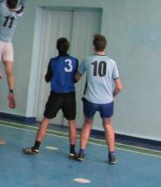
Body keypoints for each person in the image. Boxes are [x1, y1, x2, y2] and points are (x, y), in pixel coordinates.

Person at [22, 37, 79, 158]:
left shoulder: (53, 61)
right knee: (72, 122)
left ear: (57, 47)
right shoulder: (75, 61)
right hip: (70, 95)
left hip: (56, 95)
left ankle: (36, 148)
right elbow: (75, 79)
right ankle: (72, 151)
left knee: (46, 120)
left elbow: (47, 78)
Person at [74, 34, 122, 164]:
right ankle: (112, 155)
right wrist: (111, 96)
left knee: (87, 124)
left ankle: (81, 153)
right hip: (106, 101)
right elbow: (119, 87)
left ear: (93, 46)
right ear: (105, 46)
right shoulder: (112, 63)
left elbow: (76, 77)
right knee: (108, 125)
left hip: (90, 100)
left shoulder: (87, 60)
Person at [0, 0, 32, 110]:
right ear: (15, 5)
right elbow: (24, 0)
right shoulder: (18, 13)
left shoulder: (2, 10)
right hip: (9, 44)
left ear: (7, 3)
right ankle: (11, 91)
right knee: (9, 70)